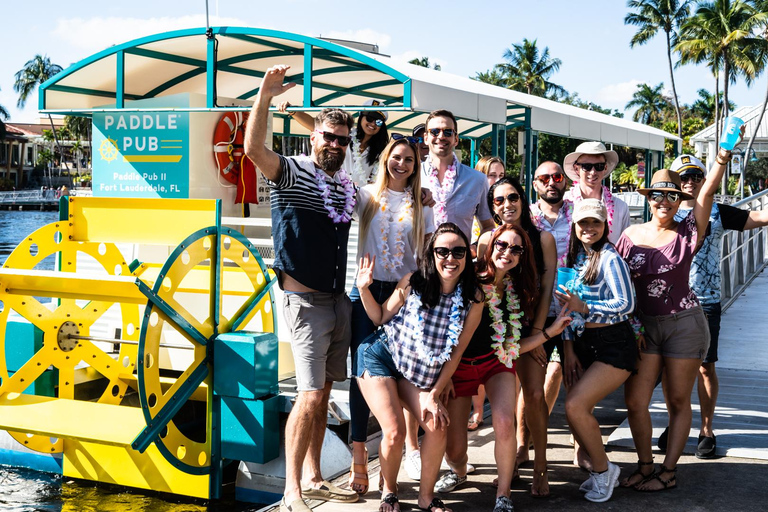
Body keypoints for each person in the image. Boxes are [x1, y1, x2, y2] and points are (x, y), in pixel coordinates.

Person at [244, 64, 358, 512]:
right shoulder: (290, 172)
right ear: (314, 137)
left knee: (326, 391)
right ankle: (291, 489)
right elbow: (253, 149)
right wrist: (266, 96)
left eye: (341, 140)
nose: (334, 144)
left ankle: (313, 474)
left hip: (337, 300)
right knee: (309, 394)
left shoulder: (345, 186)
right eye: (327, 136)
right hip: (304, 301)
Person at [615, 145, 733, 492]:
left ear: (679, 201)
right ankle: (645, 465)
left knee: (677, 401)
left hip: (684, 324)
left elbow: (707, 191)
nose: (663, 202)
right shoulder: (630, 236)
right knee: (636, 401)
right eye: (657, 196)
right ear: (648, 199)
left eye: (671, 196)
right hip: (644, 329)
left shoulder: (688, 234)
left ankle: (668, 472)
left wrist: (723, 156)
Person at [437, 224, 572, 512]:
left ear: (522, 257)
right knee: (456, 450)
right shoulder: (467, 277)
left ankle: (503, 494)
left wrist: (551, 332)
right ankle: (459, 471)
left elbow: (510, 348)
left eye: (515, 249)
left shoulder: (516, 290)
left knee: (505, 422)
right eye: (502, 245)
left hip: (495, 364)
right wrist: (442, 375)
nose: (507, 252)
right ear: (490, 246)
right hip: (458, 367)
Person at [355, 223, 484, 512]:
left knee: (437, 426)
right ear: (432, 254)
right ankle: (389, 491)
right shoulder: (413, 282)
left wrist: (433, 392)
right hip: (381, 357)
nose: (450, 258)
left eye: (458, 251)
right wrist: (364, 289)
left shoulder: (473, 298)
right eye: (442, 251)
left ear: (467, 256)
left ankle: (427, 497)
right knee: (394, 432)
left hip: (415, 374)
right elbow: (379, 317)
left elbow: (457, 351)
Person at [652, 154, 768, 459]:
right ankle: (675, 423)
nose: (689, 182)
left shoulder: (716, 212)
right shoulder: (664, 212)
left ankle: (706, 428)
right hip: (669, 302)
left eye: (696, 177)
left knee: (705, 367)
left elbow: (759, 218)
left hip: (706, 301)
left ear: (704, 180)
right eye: (683, 177)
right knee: (669, 368)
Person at [348, 136, 434, 494]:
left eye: (409, 160)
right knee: (362, 371)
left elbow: (428, 252)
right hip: (366, 289)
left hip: (404, 292)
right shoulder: (366, 195)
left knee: (407, 369)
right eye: (396, 158)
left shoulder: (422, 203)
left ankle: (404, 450)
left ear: (417, 166)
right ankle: (357, 454)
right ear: (386, 159)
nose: (402, 164)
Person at [477, 177, 557, 497]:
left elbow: (547, 288)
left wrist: (538, 331)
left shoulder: (543, 239)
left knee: (535, 395)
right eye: (498, 200)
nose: (506, 204)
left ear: (523, 200)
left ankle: (540, 466)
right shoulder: (487, 239)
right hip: (498, 326)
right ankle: (508, 468)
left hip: (532, 324)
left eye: (512, 197)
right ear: (492, 207)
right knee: (504, 403)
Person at [555, 199, 637, 502]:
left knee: (576, 405)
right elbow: (567, 307)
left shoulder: (609, 257)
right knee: (576, 408)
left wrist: (586, 307)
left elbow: (626, 304)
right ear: (575, 227)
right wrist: (569, 349)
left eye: (595, 223)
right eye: (583, 223)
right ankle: (599, 470)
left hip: (613, 344)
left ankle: (604, 471)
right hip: (584, 345)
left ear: (606, 226)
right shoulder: (578, 257)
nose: (588, 228)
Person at [516, 161, 570, 466]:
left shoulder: (579, 215)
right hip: (533, 314)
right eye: (544, 178)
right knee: (530, 385)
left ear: (565, 181)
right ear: (534, 184)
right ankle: (524, 445)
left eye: (557, 176)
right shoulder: (526, 218)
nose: (551, 182)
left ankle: (579, 448)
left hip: (568, 311)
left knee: (571, 378)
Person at [468, 155, 506, 432]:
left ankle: (492, 409)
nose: (497, 180)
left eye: (501, 174)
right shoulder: (476, 205)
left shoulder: (507, 207)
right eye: (491, 175)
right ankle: (477, 410)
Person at [421, 109, 495, 240]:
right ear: (426, 138)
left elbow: (488, 226)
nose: (441, 136)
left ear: (456, 139)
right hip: (418, 259)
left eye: (448, 132)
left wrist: (476, 248)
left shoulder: (477, 179)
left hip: (458, 258)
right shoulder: (412, 176)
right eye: (435, 131)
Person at [280, 98, 389, 185]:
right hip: (333, 192)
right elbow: (314, 125)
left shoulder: (382, 150)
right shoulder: (345, 135)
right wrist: (293, 111)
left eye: (378, 122)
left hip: (360, 202)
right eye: (370, 119)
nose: (373, 124)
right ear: (361, 117)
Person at [563, 141, 630, 244]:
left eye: (599, 166)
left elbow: (625, 246)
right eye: (587, 166)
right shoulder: (564, 202)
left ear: (605, 168)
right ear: (576, 169)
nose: (593, 172)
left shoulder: (620, 207)